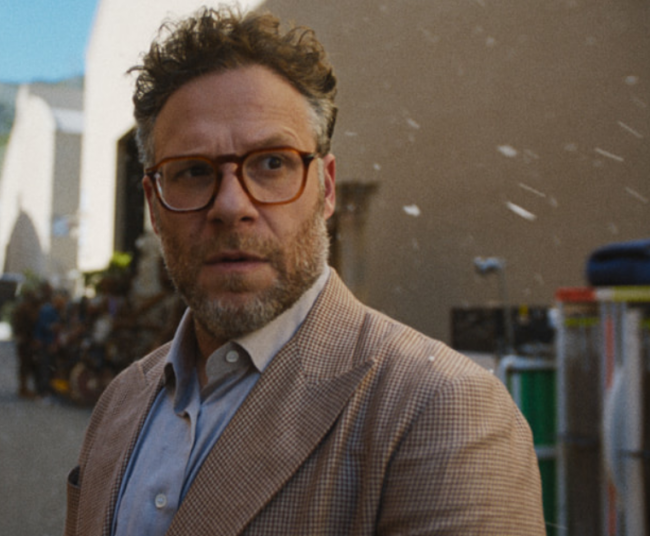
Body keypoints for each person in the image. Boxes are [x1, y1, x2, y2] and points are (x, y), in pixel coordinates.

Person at [65, 7, 544, 536]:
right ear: (153, 207)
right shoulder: (120, 403)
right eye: (194, 171)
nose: (231, 205)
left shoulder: (440, 409)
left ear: (328, 188)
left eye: (271, 163)